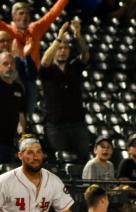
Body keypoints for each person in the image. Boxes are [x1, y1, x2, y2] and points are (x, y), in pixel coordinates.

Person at [40, 20, 90, 161]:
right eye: (59, 48)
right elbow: (44, 61)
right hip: (56, 125)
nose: (62, 51)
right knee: (62, 161)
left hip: (78, 123)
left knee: (83, 159)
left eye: (65, 48)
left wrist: (78, 35)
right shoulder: (48, 70)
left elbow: (85, 55)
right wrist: (59, 38)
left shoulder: (74, 66)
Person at [0, 0, 69, 69]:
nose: (25, 16)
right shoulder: (6, 30)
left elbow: (53, 14)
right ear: (13, 16)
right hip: (14, 75)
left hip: (34, 76)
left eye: (27, 13)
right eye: (21, 13)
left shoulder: (35, 29)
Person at [0, 30, 37, 117]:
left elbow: (32, 76)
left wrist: (27, 55)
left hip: (16, 99)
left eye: (8, 41)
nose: (6, 43)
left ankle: (28, 116)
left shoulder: (16, 60)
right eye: (2, 41)